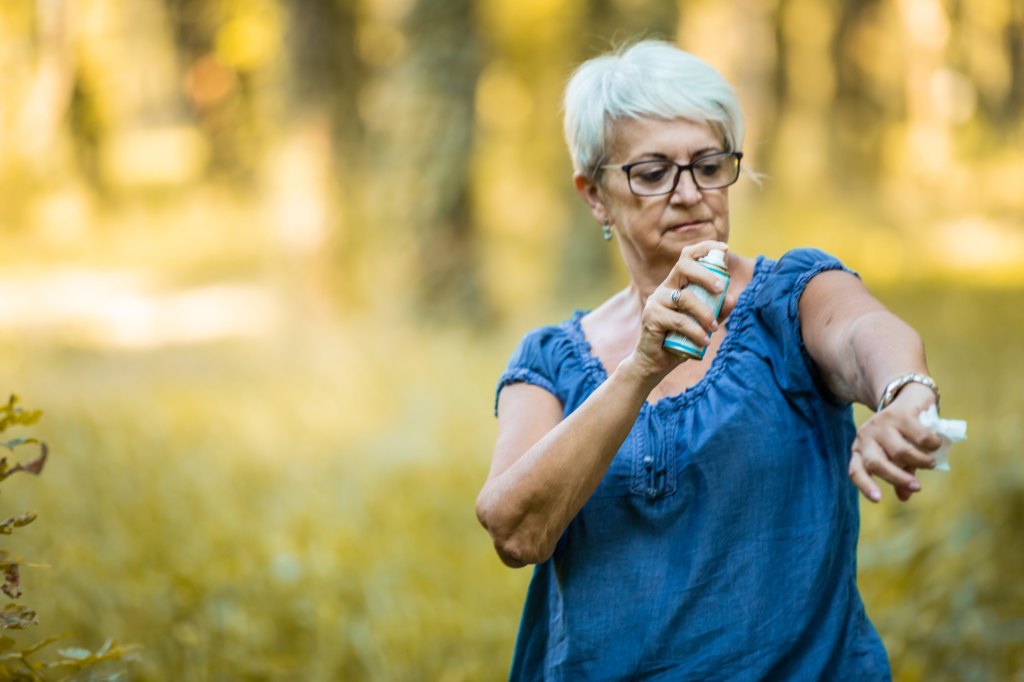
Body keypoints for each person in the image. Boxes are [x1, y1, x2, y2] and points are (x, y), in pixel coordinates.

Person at [475, 40, 944, 681]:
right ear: (593, 194)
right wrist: (641, 368)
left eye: (708, 163)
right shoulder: (551, 359)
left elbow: (867, 331)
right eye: (652, 172)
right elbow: (516, 531)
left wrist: (906, 393)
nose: (689, 193)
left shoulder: (792, 297)